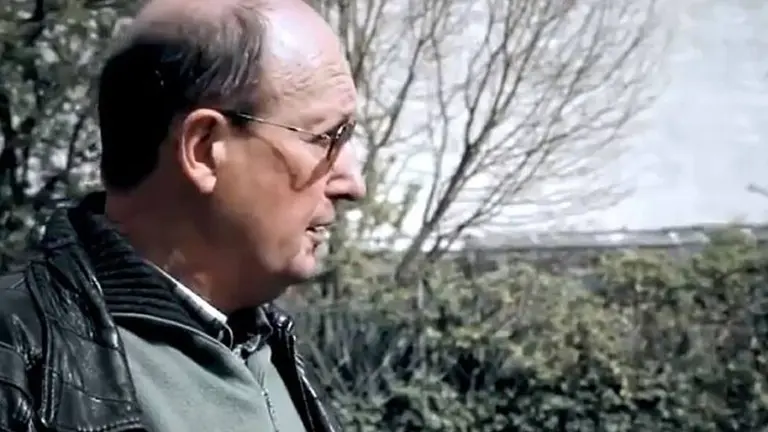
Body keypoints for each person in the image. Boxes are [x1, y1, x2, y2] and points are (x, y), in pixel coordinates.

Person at [0, 0, 365, 430]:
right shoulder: (19, 362)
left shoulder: (275, 355)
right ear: (205, 149)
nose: (354, 185)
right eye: (325, 138)